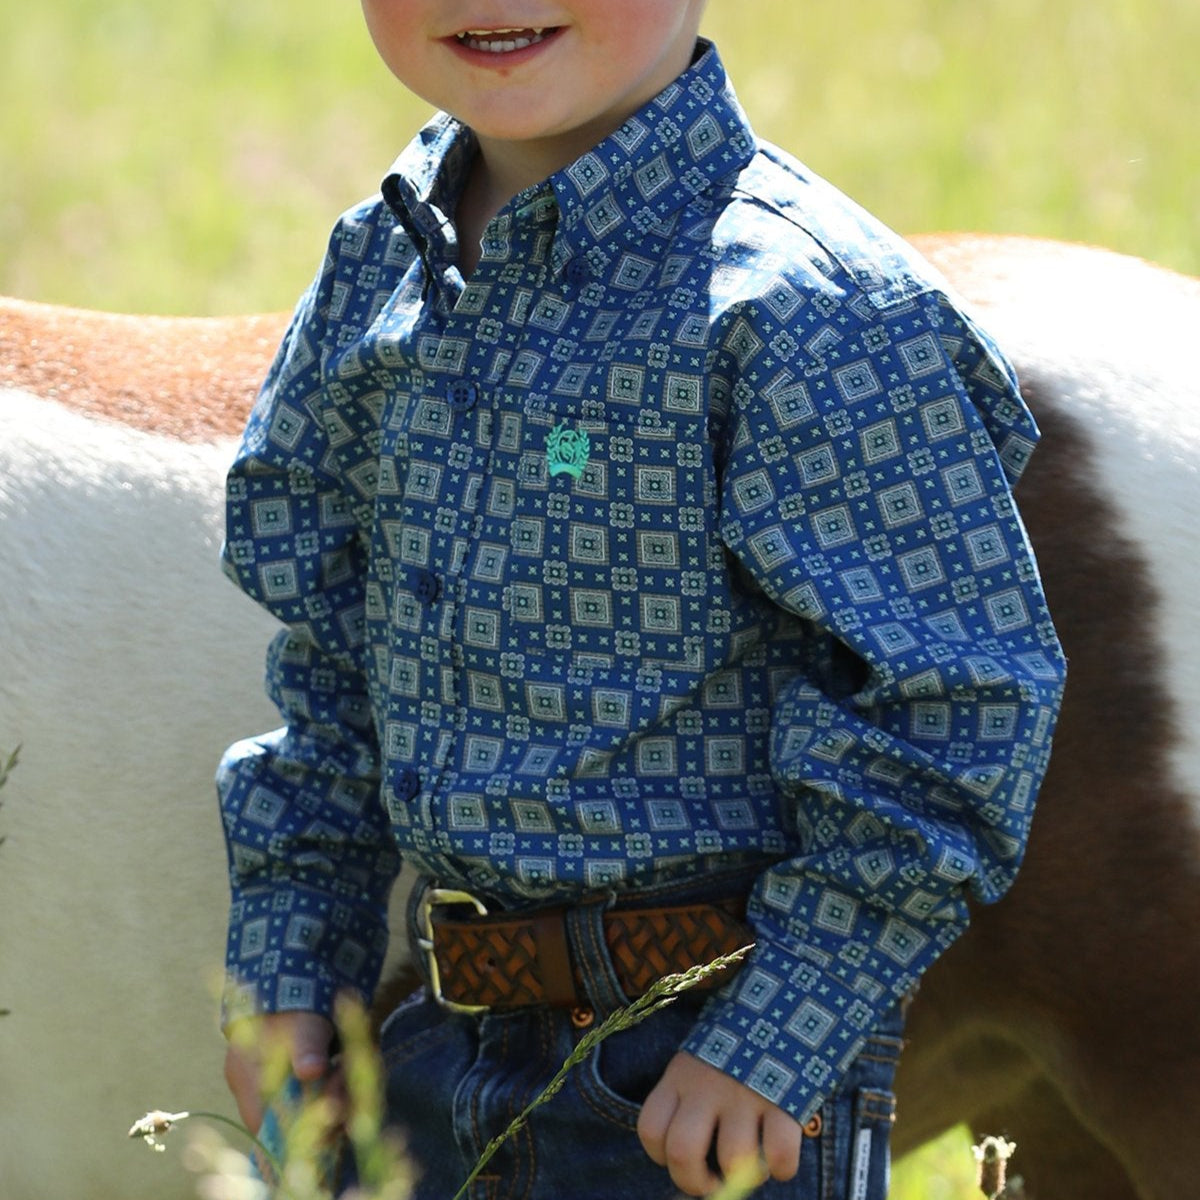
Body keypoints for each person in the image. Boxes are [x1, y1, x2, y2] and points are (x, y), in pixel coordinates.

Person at [217, 3, 1066, 1197]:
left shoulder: (805, 301)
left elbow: (959, 701)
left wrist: (776, 1034)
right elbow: (331, 654)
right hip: (426, 1049)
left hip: (701, 1076)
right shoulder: (377, 264)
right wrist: (293, 960)